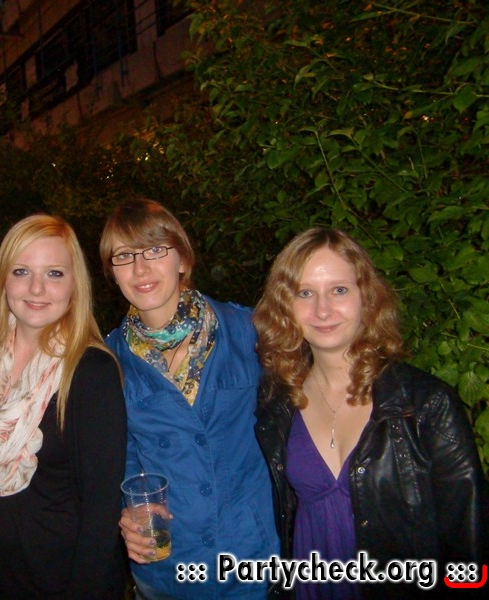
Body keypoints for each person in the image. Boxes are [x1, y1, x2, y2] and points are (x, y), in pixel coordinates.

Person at [252, 227, 488, 599]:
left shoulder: (425, 404)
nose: (322, 310)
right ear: (285, 305)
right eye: (304, 293)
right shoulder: (276, 405)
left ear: (367, 296)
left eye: (339, 290)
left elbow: (469, 541)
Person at [0, 214, 128, 599]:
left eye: (54, 273)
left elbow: (101, 510)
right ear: (3, 279)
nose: (37, 288)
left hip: (52, 581)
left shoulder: (91, 371)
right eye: (21, 271)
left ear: (74, 284)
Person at [101, 198, 278, 599]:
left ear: (182, 258)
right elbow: (117, 458)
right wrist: (127, 510)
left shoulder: (248, 332)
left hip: (250, 561)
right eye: (124, 256)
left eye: (154, 250)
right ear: (113, 273)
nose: (140, 269)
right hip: (169, 570)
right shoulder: (108, 362)